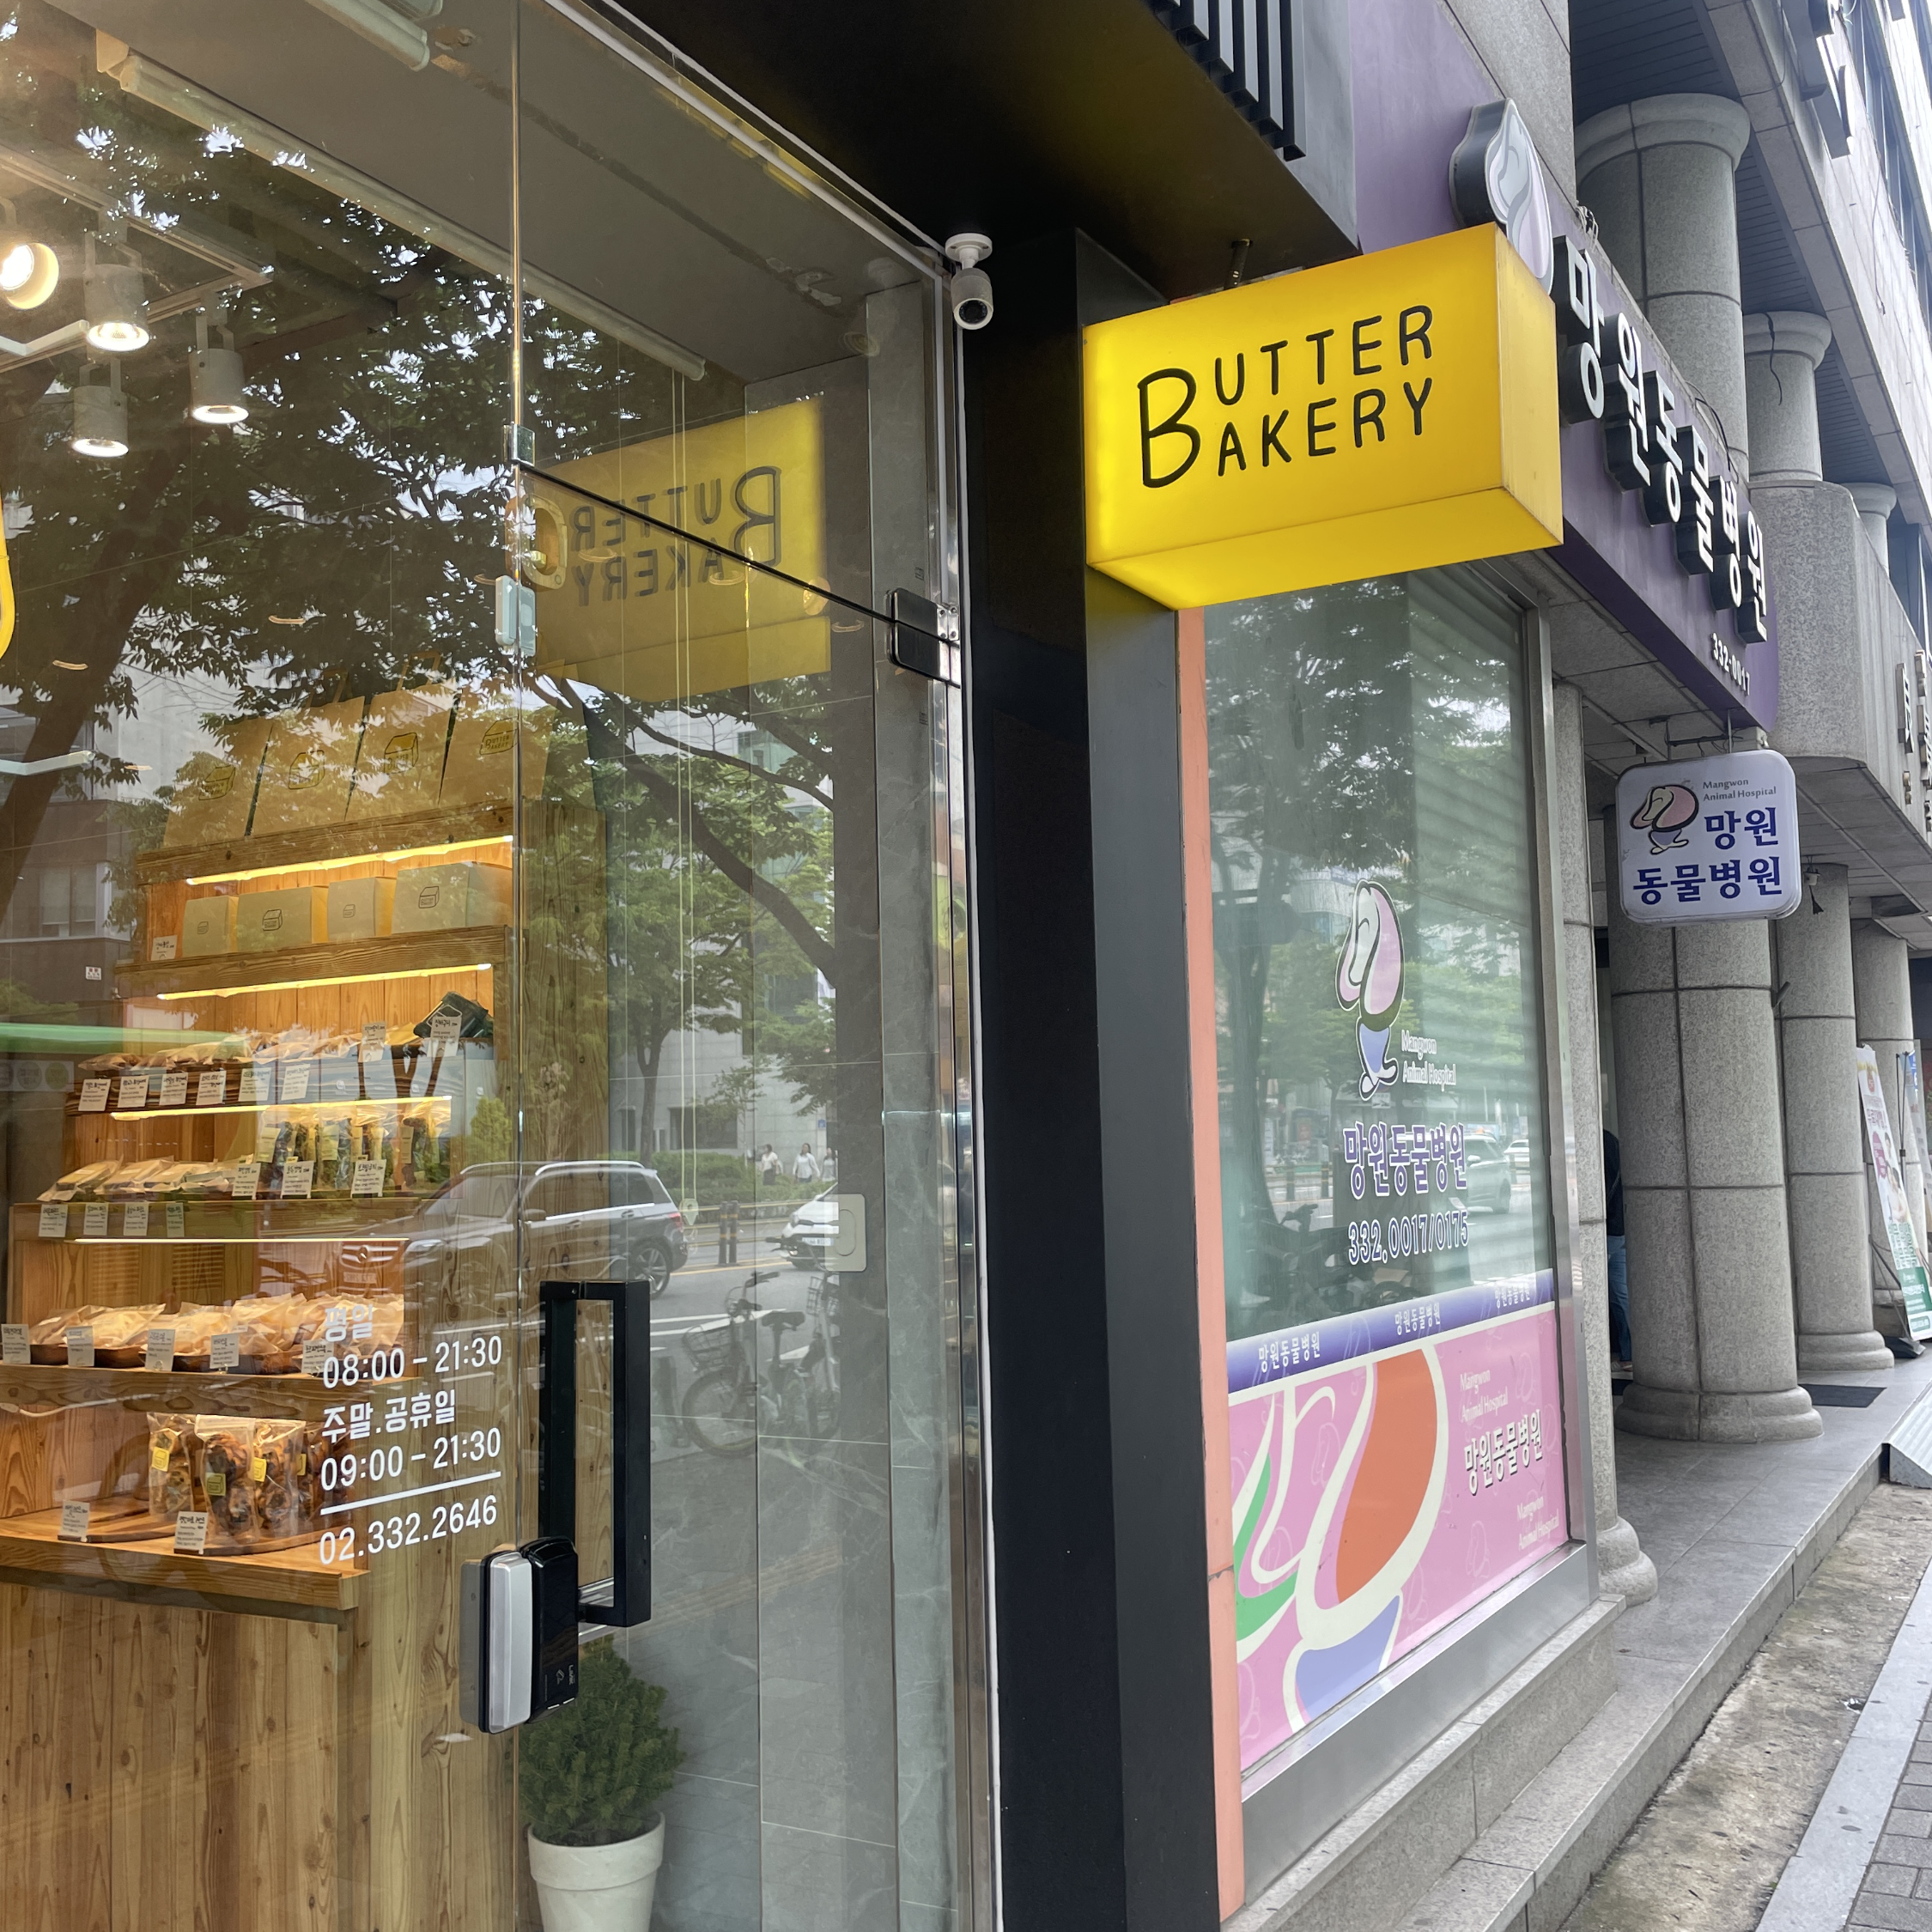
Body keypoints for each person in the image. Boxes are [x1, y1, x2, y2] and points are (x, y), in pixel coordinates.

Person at [1604, 1129, 1631, 1369]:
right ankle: (1629, 1353)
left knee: (1594, 1291)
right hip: (1621, 1228)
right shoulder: (1613, 1142)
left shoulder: (1597, 1145)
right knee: (1620, 1294)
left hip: (1606, 1230)